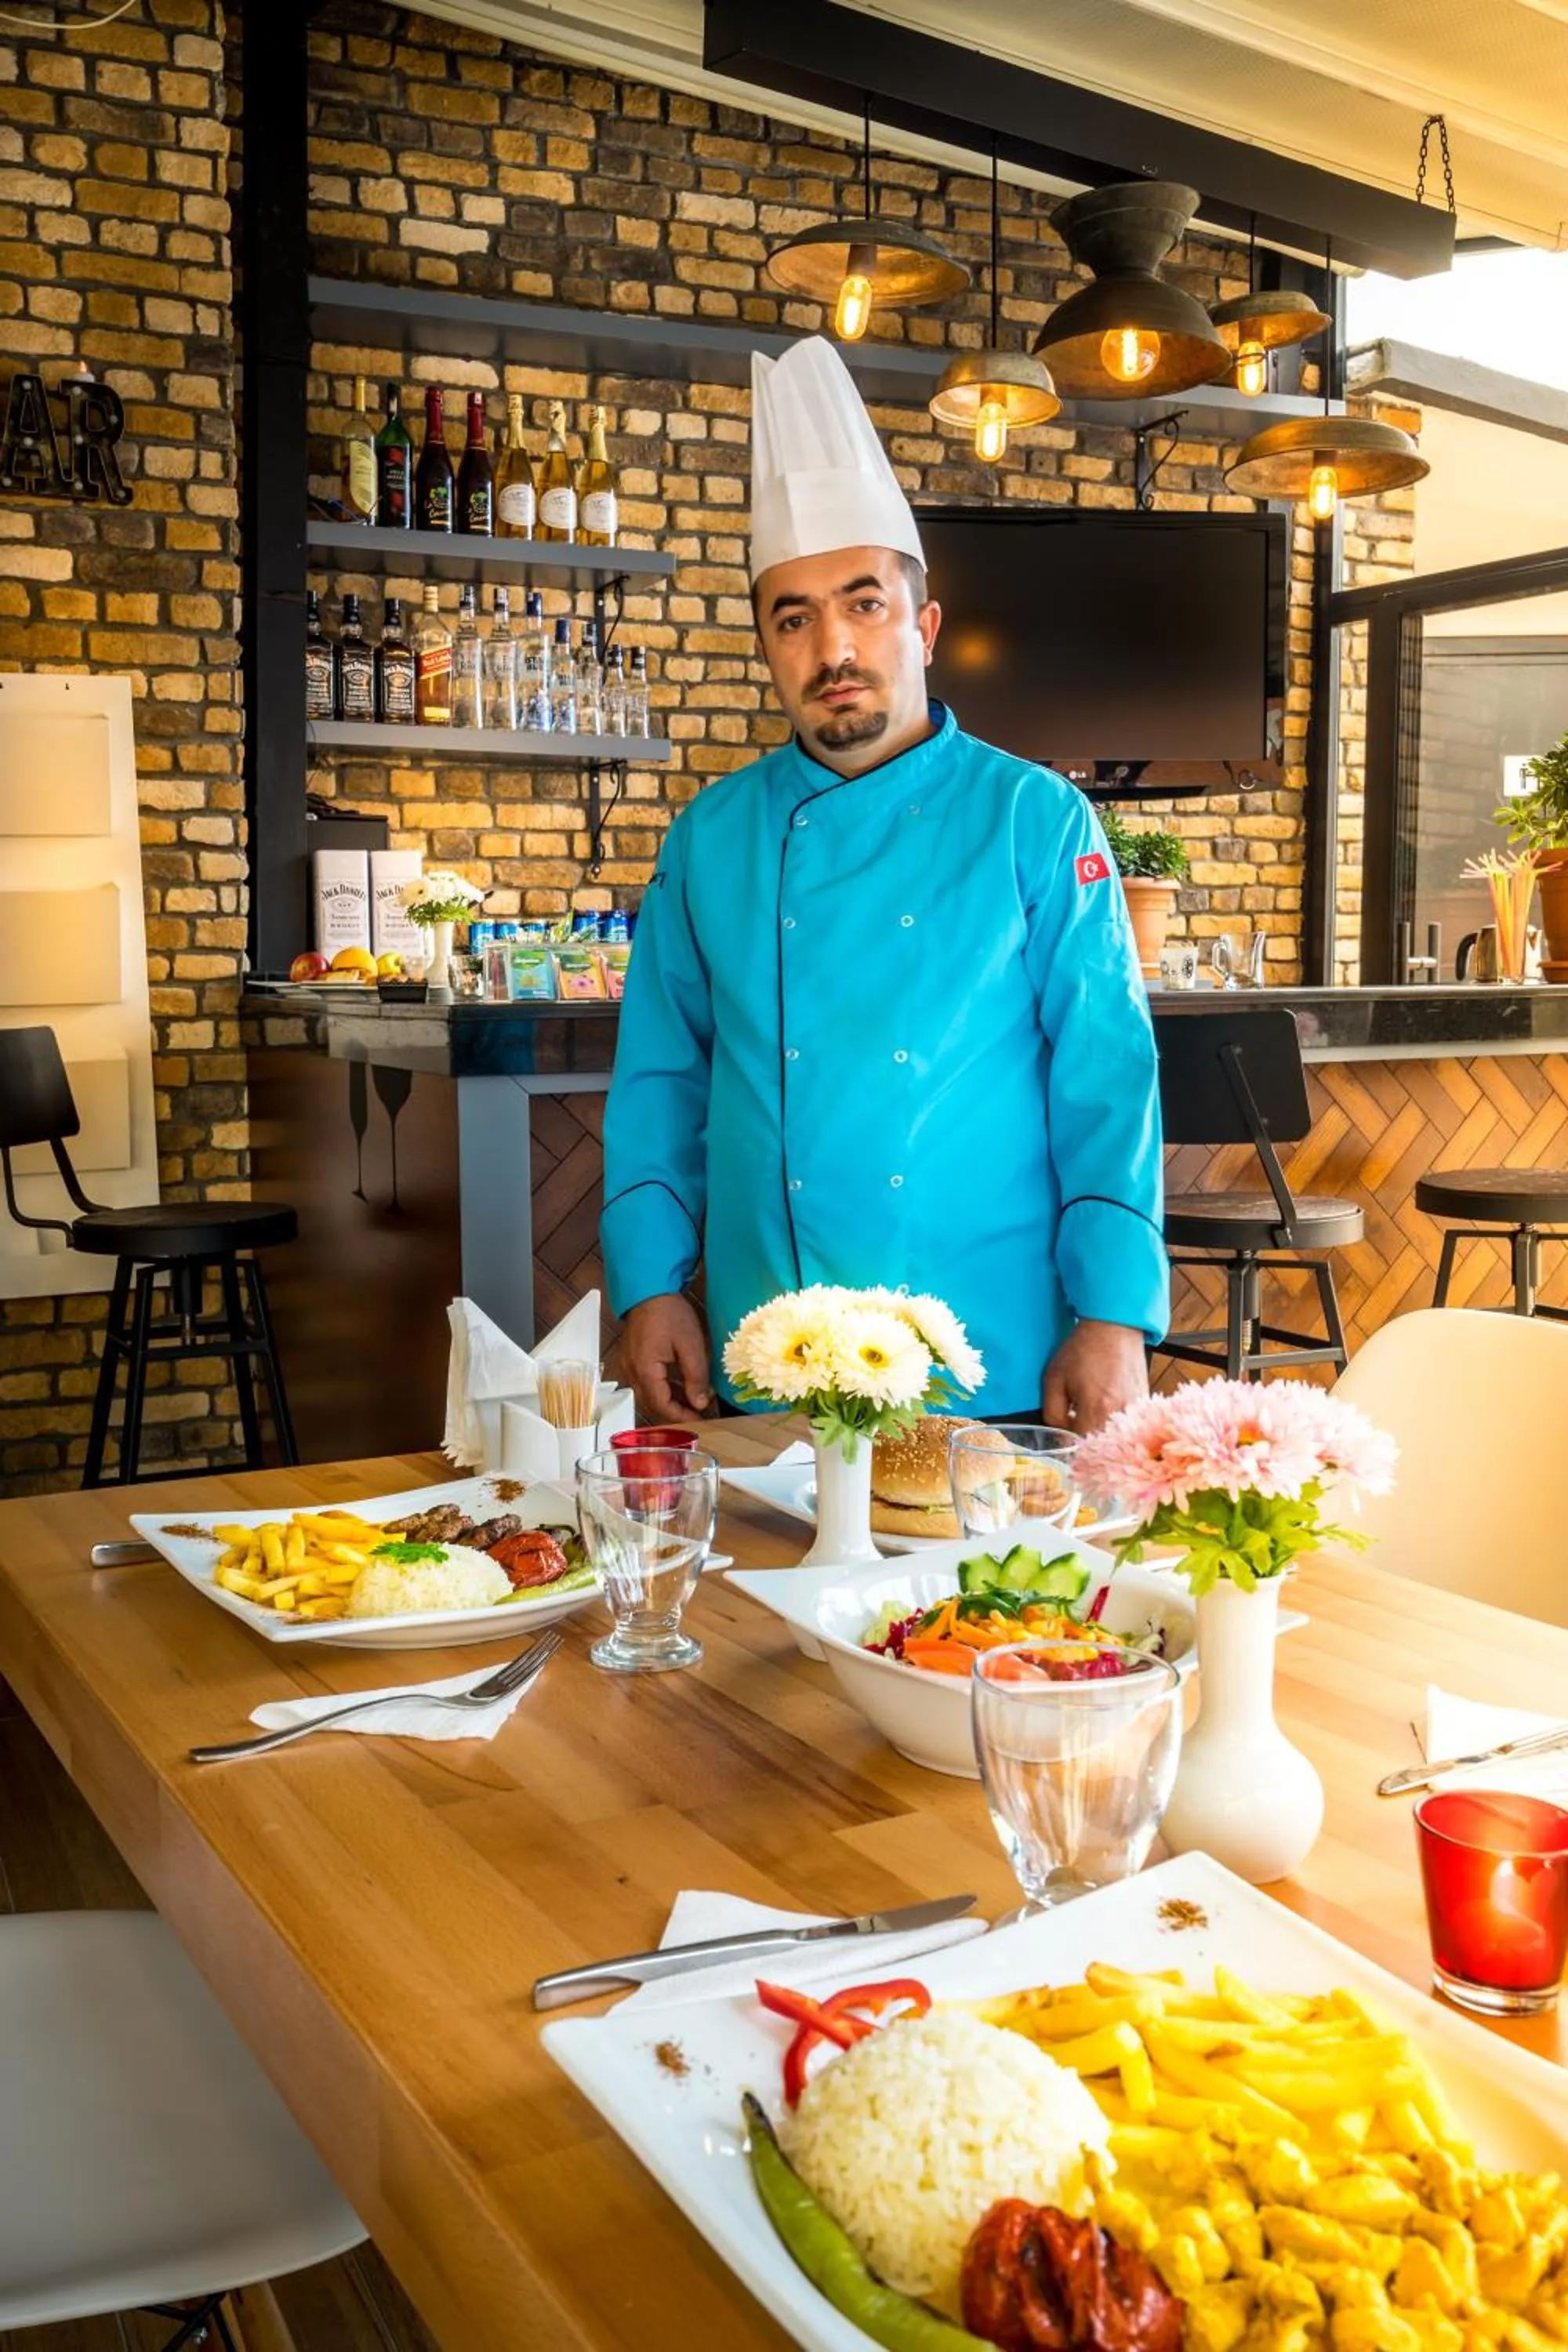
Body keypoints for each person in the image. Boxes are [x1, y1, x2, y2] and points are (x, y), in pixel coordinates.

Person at [602, 336, 1167, 1432]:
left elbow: (1107, 1082)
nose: (833, 649)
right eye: (794, 616)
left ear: (924, 626)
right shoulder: (710, 838)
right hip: (770, 1347)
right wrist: (651, 1282)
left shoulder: (1036, 821)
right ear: (767, 645)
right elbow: (661, 1081)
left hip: (992, 1349)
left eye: (863, 605)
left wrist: (1112, 1314)